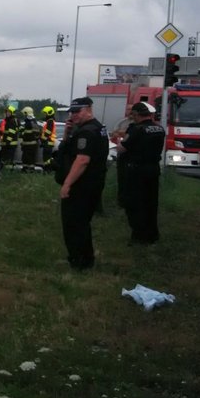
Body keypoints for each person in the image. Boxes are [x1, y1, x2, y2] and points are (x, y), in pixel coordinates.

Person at [56, 96, 110, 271]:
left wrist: (67, 184)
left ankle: (79, 262)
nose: (74, 116)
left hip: (82, 186)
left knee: (74, 225)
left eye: (77, 111)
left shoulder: (87, 131)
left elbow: (82, 160)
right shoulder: (97, 128)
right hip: (91, 183)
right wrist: (67, 134)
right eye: (72, 112)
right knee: (81, 224)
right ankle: (84, 260)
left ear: (88, 109)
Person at [116, 101, 165, 244]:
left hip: (136, 171)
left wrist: (119, 142)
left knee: (135, 204)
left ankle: (139, 236)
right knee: (151, 203)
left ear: (136, 115)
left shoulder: (136, 129)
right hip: (153, 169)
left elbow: (122, 149)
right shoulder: (159, 129)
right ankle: (152, 234)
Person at [0, 105, 21, 169]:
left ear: (12, 113)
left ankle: (7, 171)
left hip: (9, 143)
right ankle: (6, 169)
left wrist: (7, 141)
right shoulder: (14, 120)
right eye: (6, 112)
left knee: (8, 158)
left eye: (9, 112)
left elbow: (11, 132)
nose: (7, 113)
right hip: (9, 143)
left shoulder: (11, 121)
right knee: (5, 157)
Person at [18, 106, 41, 172]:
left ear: (27, 114)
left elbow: (36, 133)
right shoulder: (29, 122)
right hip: (27, 144)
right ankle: (25, 169)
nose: (24, 116)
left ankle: (30, 170)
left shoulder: (31, 123)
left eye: (24, 114)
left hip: (30, 145)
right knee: (25, 158)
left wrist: (22, 134)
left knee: (30, 158)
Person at [39, 105, 57, 170]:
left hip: (48, 142)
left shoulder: (50, 121)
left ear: (49, 113)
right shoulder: (50, 121)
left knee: (47, 158)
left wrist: (41, 139)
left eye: (45, 113)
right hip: (49, 142)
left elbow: (48, 132)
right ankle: (47, 169)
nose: (45, 115)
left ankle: (48, 170)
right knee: (47, 158)